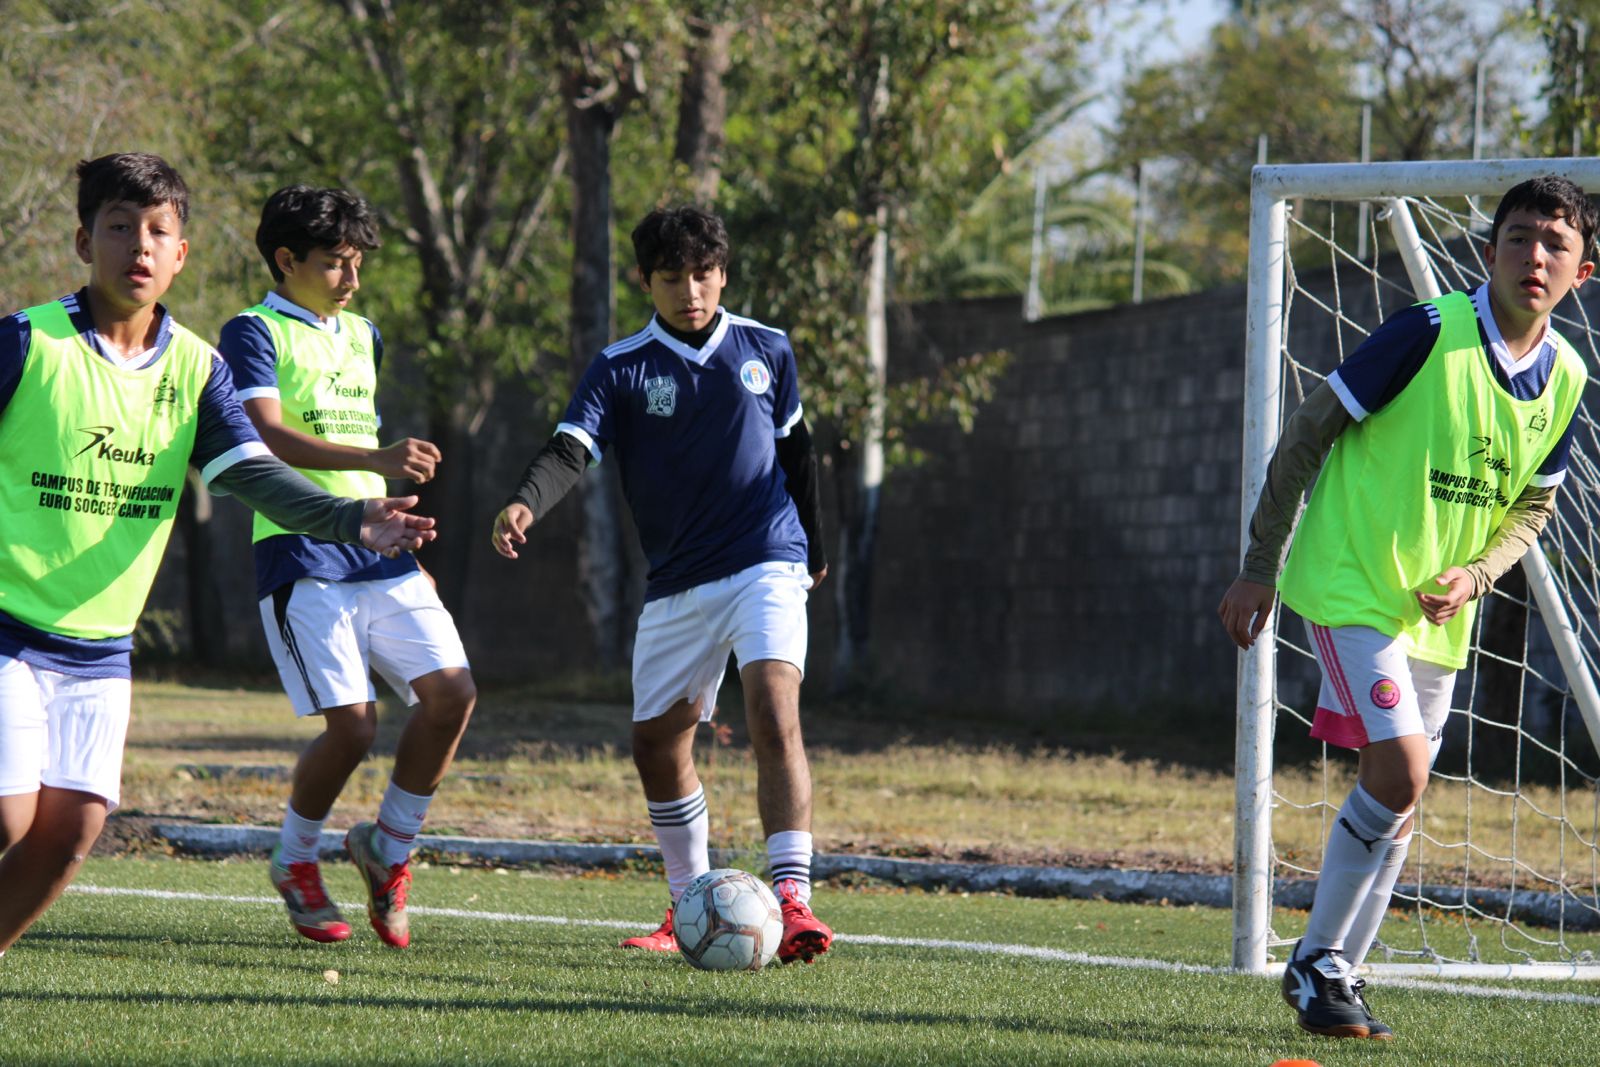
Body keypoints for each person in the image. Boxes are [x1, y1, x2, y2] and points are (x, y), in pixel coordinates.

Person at [0, 153, 435, 958]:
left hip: (100, 646)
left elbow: (253, 475)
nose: (138, 245)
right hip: (7, 629)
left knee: (73, 830)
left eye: (157, 230)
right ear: (83, 242)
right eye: (118, 227)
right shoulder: (29, 342)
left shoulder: (199, 369)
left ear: (181, 254)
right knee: (9, 816)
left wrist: (351, 517)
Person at [1218, 175, 1595, 1039]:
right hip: (1351, 583)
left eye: (1556, 244)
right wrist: (1259, 565)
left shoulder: (1569, 376)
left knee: (1401, 794)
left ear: (1583, 272)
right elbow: (1309, 429)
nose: (1534, 256)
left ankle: (1335, 973)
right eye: (1518, 237)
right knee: (1404, 772)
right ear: (1489, 251)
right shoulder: (1427, 331)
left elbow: (1534, 506)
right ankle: (1317, 960)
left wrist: (1477, 574)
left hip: (1436, 614)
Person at [491, 205, 832, 963]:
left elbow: (798, 451)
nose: (690, 291)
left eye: (703, 274)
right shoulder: (621, 367)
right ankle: (688, 904)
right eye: (672, 277)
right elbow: (570, 448)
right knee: (654, 743)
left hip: (767, 559)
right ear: (645, 280)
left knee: (773, 711)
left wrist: (814, 545)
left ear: (723, 274)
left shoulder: (767, 349)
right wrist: (524, 501)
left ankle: (793, 899)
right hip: (677, 582)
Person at [217, 186, 476, 950]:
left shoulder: (364, 334)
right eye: (335, 263)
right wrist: (378, 458)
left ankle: (388, 848)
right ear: (286, 259)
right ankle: (296, 858)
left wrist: (402, 542)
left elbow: (358, 436)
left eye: (358, 262)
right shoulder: (253, 330)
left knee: (453, 694)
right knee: (355, 726)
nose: (352, 279)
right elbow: (263, 435)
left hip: (381, 549)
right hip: (299, 550)